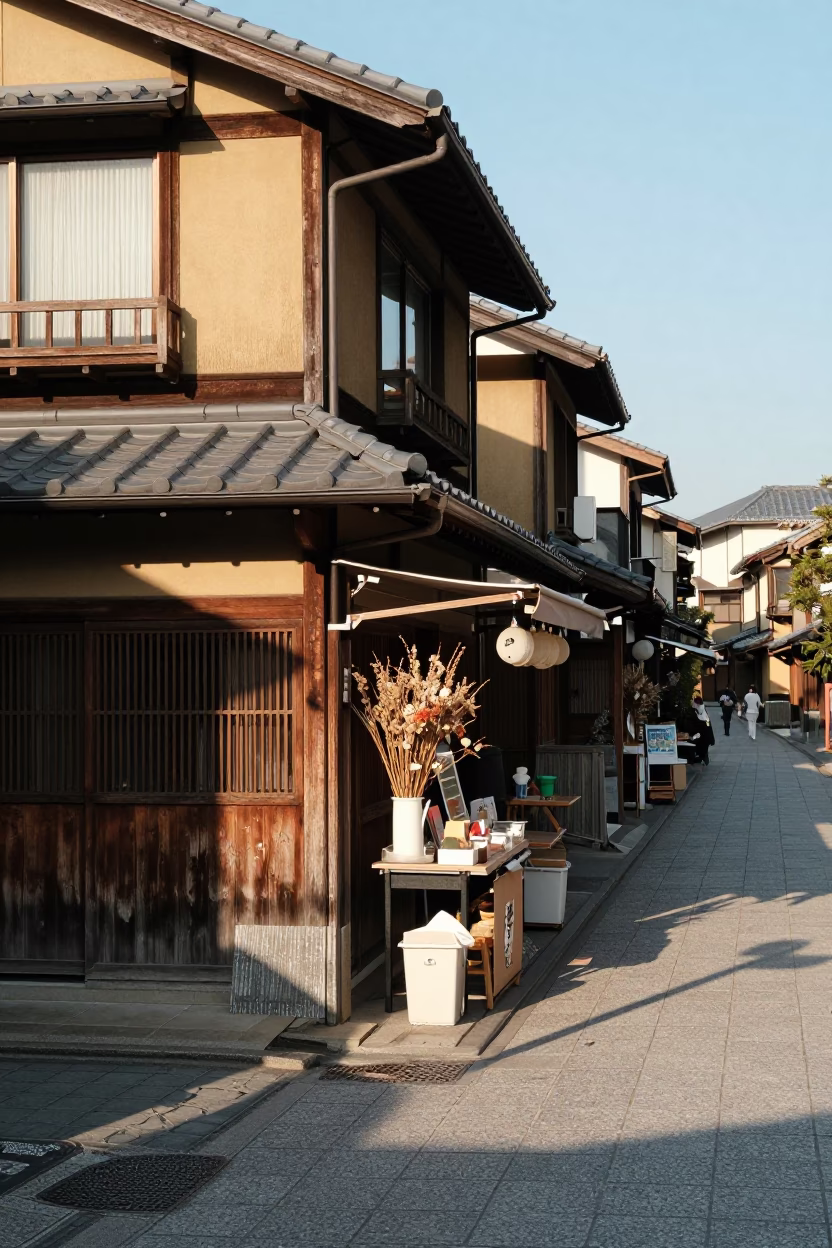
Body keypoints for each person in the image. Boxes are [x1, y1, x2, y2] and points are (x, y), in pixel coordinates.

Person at [684, 695, 715, 765]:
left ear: (697, 704)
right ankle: (703, 757)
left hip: (702, 734)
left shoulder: (699, 711)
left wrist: (706, 727)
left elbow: (707, 723)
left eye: (694, 703)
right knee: (702, 747)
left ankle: (702, 758)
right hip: (703, 734)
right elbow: (707, 723)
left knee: (702, 747)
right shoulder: (700, 711)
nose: (693, 704)